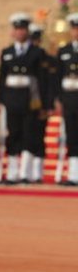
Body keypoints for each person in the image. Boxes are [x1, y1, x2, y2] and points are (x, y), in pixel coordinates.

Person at [0, 12, 49, 184]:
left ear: (27, 31)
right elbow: (2, 78)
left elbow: (42, 79)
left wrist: (44, 103)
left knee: (28, 133)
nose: (19, 32)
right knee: (13, 133)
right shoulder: (7, 52)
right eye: (17, 29)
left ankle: (25, 172)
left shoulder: (37, 52)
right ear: (13, 32)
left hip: (29, 98)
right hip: (11, 97)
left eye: (23, 29)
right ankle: (12, 173)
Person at [27, 23, 58, 183]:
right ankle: (26, 171)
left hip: (42, 103)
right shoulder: (28, 59)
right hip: (29, 103)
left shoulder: (48, 60)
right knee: (28, 135)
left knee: (39, 136)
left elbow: (50, 85)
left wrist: (48, 105)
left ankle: (37, 172)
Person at [56, 12, 78, 186]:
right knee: (71, 134)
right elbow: (58, 76)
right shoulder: (64, 51)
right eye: (74, 28)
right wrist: (58, 98)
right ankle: (73, 174)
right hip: (69, 96)